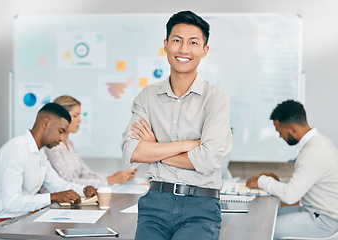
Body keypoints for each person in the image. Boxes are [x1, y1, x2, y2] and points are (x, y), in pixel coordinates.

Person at [121, 10, 232, 240]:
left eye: (193, 42)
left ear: (204, 50)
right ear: (166, 44)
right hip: (155, 205)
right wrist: (188, 145)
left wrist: (156, 149)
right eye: (177, 41)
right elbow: (132, 150)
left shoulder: (216, 98)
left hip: (200, 206)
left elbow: (209, 159)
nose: (183, 49)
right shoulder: (147, 96)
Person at [0, 103, 98, 239]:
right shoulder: (16, 150)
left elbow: (58, 185)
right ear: (45, 123)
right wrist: (52, 197)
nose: (61, 139)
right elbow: (11, 203)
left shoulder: (40, 153)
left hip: (23, 220)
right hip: (1, 225)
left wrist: (84, 189)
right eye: (60, 131)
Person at [246, 100, 338, 239]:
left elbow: (290, 196)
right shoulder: (319, 142)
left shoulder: (312, 152)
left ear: (293, 129)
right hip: (315, 212)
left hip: (325, 221)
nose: (280, 136)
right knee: (268, 216)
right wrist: (278, 181)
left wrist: (261, 181)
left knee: (264, 227)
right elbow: (304, 181)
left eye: (280, 131)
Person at [44, 95, 137, 188]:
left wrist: (118, 176)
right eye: (75, 116)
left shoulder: (69, 142)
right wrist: (110, 180)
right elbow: (67, 182)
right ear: (61, 117)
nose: (80, 120)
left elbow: (86, 174)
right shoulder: (52, 145)